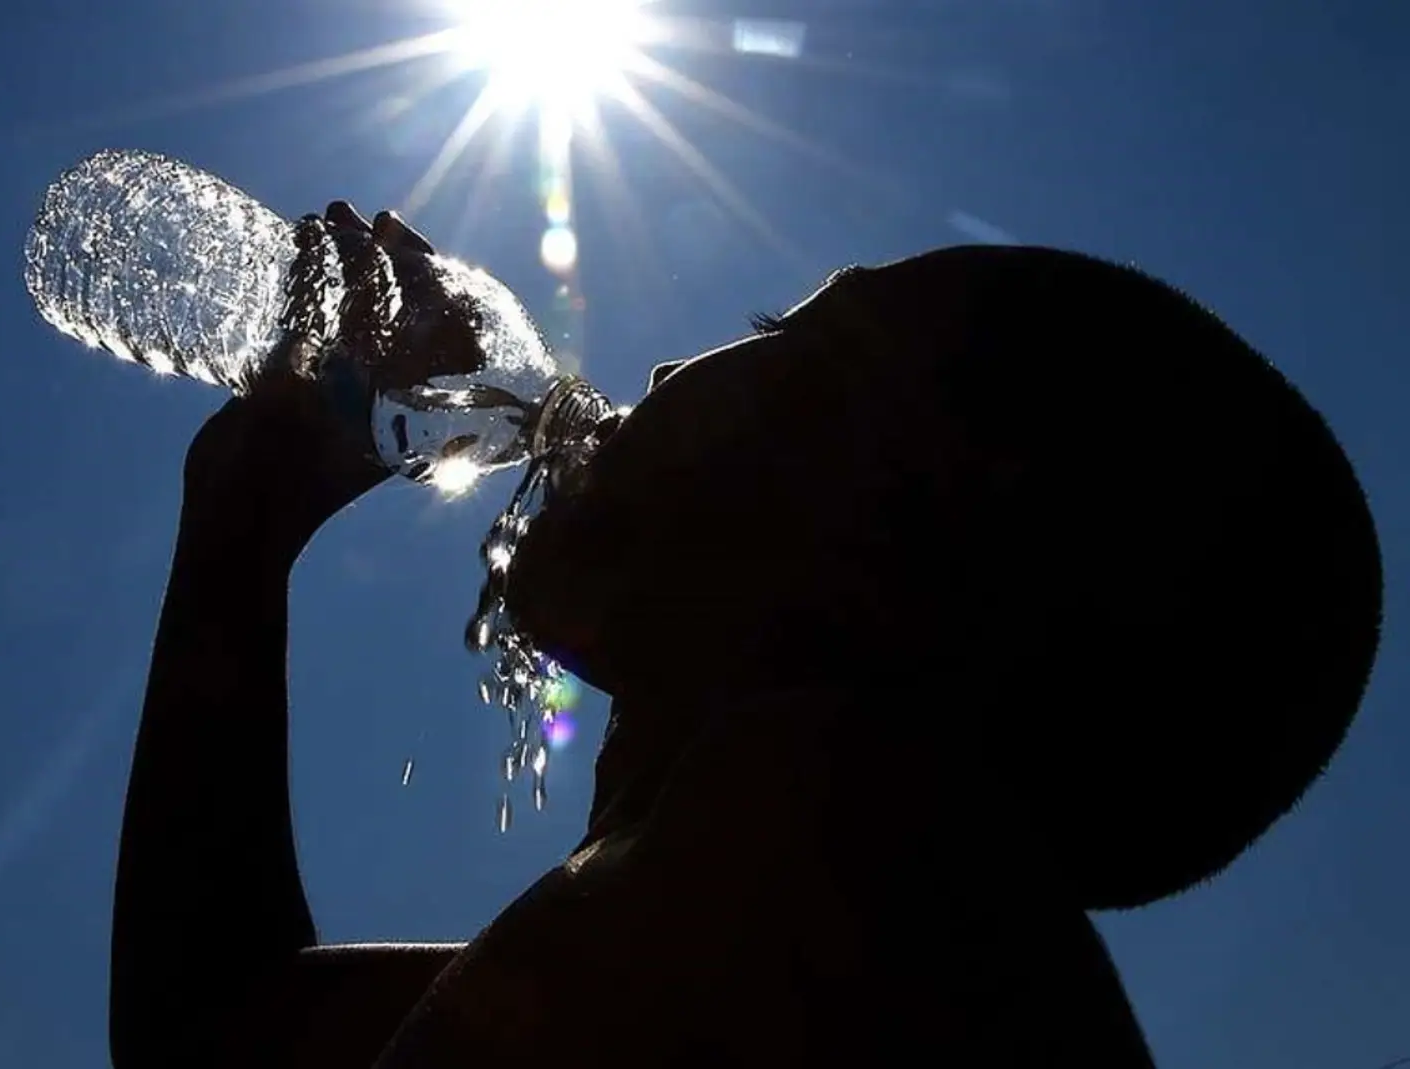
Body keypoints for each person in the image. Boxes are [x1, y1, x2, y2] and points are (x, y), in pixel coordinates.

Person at [107, 205, 1383, 1068]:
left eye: (790, 341)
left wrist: (238, 535)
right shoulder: (810, 941)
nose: (665, 371)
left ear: (896, 542)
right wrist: (239, 524)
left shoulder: (825, 851)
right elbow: (216, 1028)